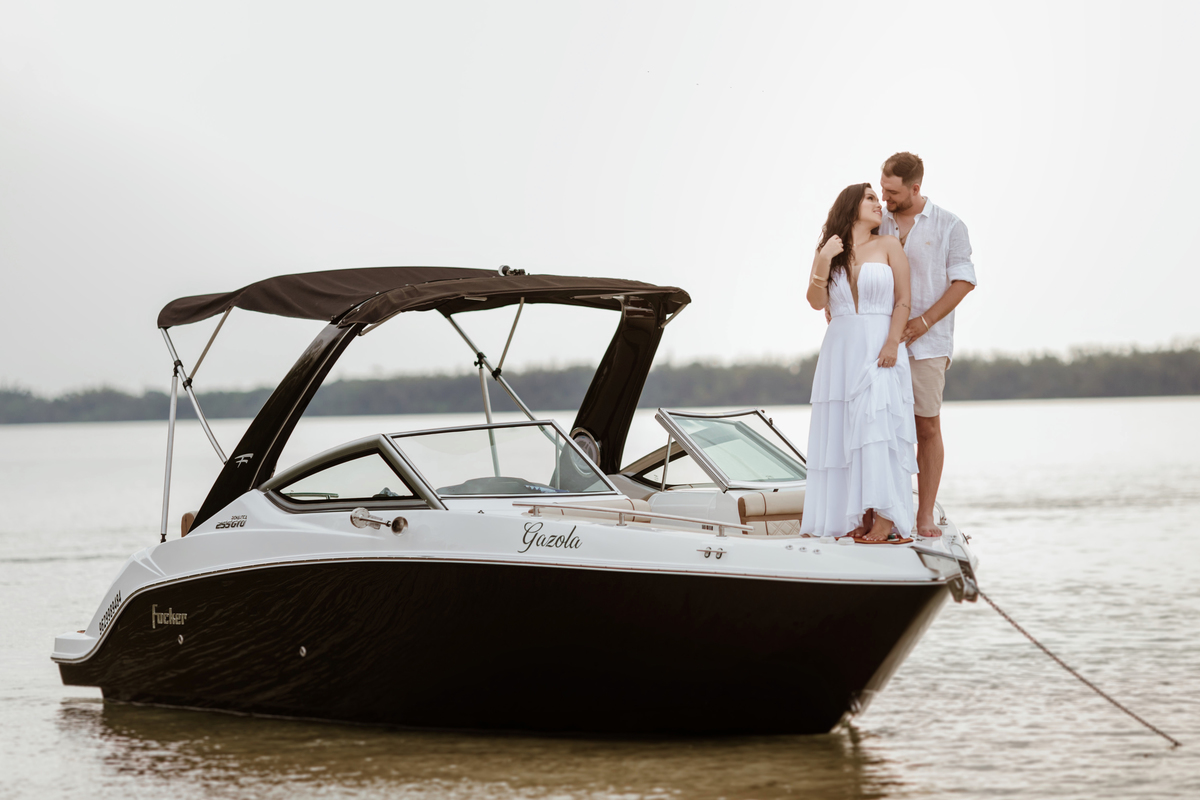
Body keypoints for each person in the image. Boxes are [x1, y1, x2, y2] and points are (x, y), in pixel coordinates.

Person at [800, 183, 917, 544]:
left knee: (878, 429)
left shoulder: (889, 245)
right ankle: (857, 516)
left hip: (880, 345)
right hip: (841, 351)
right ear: (851, 206)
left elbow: (903, 300)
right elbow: (816, 302)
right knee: (846, 434)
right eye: (869, 198)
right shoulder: (829, 250)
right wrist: (823, 260)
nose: (878, 203)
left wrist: (893, 342)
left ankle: (886, 518)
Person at [878, 153, 976, 538]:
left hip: (929, 342)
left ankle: (924, 516)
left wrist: (923, 322)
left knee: (927, 427)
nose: (885, 198)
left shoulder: (950, 225)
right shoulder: (877, 220)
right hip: (881, 340)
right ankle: (883, 513)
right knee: (882, 426)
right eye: (882, 189)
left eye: (892, 192)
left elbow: (964, 281)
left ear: (915, 188)